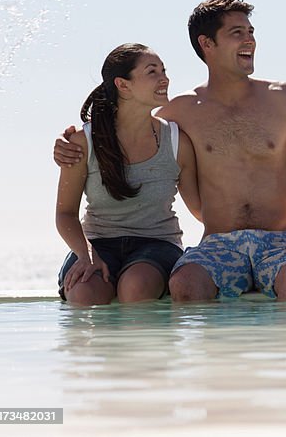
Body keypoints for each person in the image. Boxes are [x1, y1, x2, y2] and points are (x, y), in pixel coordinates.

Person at [55, 0, 286, 300]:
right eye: (237, 32)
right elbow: (126, 122)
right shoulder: (180, 111)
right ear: (206, 44)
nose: (249, 39)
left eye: (251, 31)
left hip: (282, 241)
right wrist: (69, 143)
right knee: (185, 284)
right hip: (218, 243)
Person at [55, 44, 200, 305]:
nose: (164, 78)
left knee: (135, 288)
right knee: (84, 294)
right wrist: (86, 254)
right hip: (96, 244)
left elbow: (201, 210)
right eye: (152, 71)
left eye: (164, 70)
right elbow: (65, 213)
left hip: (158, 244)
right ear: (123, 85)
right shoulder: (83, 142)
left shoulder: (177, 142)